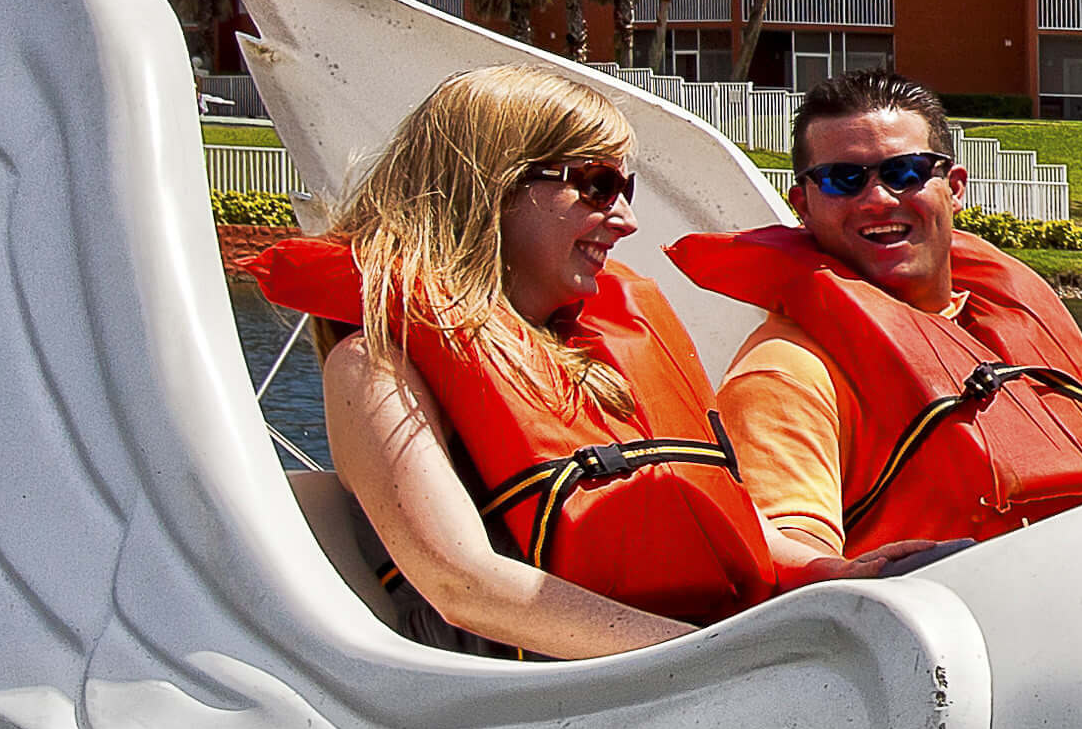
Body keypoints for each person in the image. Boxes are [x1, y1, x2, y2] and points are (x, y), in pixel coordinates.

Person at [255, 70, 786, 659]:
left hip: (686, 662)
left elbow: (714, 511)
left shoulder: (599, 347)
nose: (627, 221)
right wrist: (711, 658)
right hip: (531, 697)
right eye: (597, 186)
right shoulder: (374, 367)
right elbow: (463, 584)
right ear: (494, 186)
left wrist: (832, 570)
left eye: (625, 189)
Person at [671, 75, 1082, 566]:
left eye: (906, 172)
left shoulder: (1019, 326)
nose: (879, 198)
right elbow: (788, 541)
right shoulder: (785, 373)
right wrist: (839, 573)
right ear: (803, 207)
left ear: (955, 188)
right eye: (843, 179)